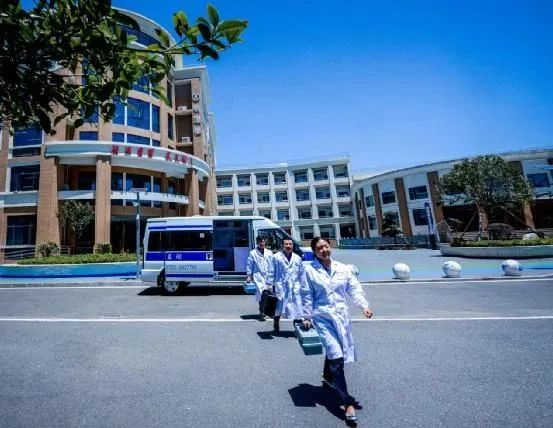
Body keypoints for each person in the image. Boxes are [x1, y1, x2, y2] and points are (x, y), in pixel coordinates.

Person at [300, 237, 373, 423]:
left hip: (341, 316)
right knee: (337, 356)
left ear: (330, 246)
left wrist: (363, 305)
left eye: (326, 246)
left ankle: (327, 376)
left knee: (335, 351)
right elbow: (306, 294)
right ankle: (346, 402)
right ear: (314, 252)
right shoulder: (309, 270)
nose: (324, 250)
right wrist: (306, 317)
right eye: (319, 248)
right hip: (322, 317)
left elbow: (354, 288)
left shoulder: (343, 268)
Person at [267, 237, 304, 333]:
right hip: (281, 286)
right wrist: (269, 284)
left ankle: (297, 328)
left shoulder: (297, 258)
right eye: (286, 244)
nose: (288, 246)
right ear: (282, 246)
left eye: (290, 244)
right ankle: (276, 322)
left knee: (297, 307)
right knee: (279, 307)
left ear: (292, 245)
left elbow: (301, 273)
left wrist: (302, 285)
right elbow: (271, 271)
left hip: (295, 286)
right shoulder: (276, 257)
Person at [246, 236, 273, 321]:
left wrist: (274, 275)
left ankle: (267, 312)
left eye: (263, 242)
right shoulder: (253, 253)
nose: (262, 243)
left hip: (268, 276)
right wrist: (249, 275)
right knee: (262, 295)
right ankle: (262, 312)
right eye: (260, 242)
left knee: (269, 295)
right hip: (258, 277)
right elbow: (249, 264)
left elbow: (272, 264)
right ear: (257, 243)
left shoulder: (269, 252)